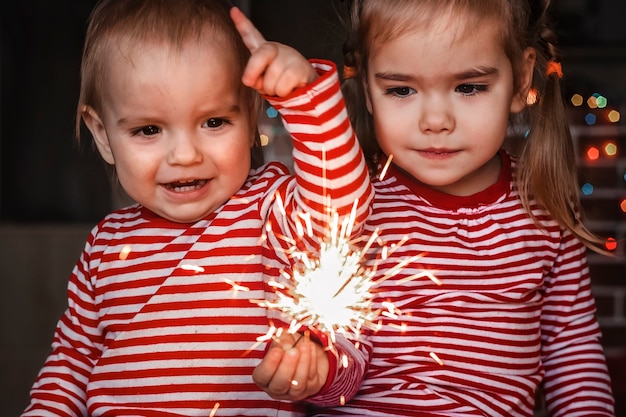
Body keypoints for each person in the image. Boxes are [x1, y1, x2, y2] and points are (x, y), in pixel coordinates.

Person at [22, 1, 372, 416]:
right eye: (148, 129)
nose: (185, 155)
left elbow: (341, 206)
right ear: (101, 135)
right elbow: (70, 364)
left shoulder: (268, 208)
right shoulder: (104, 247)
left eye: (214, 122)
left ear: (251, 118)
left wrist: (305, 99)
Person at [306, 0, 617, 416]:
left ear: (522, 77)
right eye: (401, 89)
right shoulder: (351, 202)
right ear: (367, 87)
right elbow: (333, 378)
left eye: (468, 87)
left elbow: (571, 347)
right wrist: (314, 370)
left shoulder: (544, 207)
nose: (435, 120)